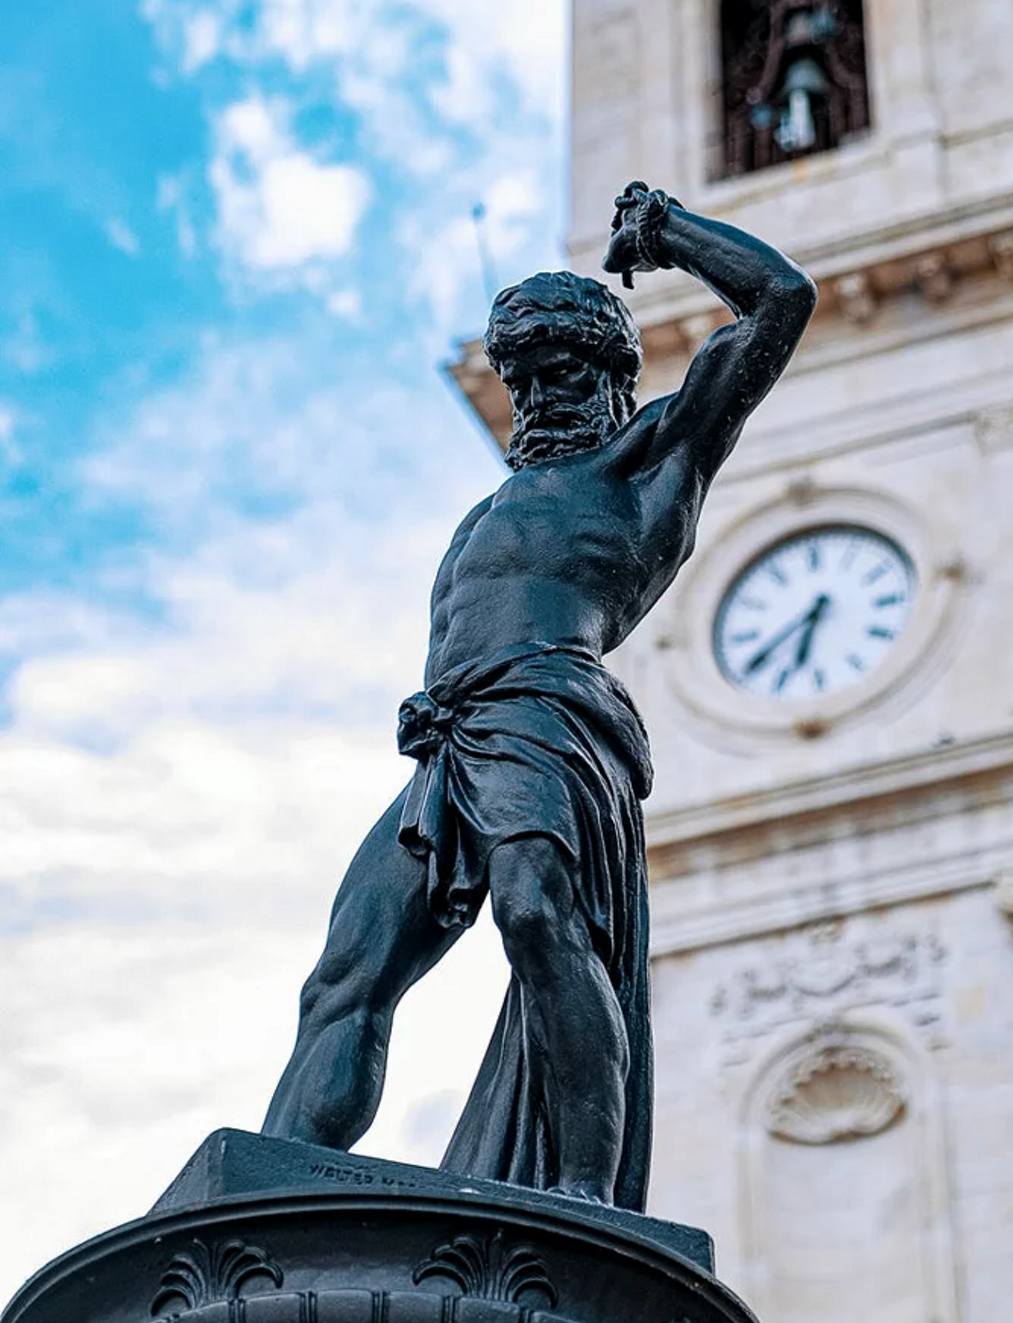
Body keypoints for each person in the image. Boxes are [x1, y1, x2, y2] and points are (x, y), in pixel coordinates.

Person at [262, 182, 818, 1209]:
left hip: (550, 720)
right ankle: (273, 1188)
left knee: (536, 913)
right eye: (520, 377)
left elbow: (782, 298)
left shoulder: (653, 457)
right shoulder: (493, 503)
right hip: (448, 741)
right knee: (347, 972)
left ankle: (581, 1196)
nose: (538, 395)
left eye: (560, 370)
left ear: (611, 374)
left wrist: (668, 234)